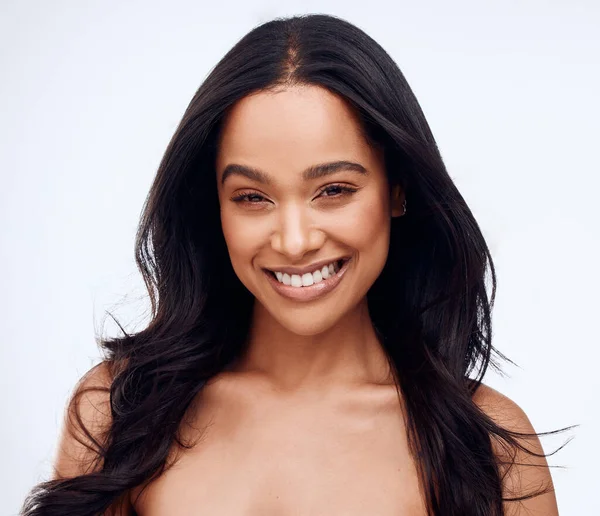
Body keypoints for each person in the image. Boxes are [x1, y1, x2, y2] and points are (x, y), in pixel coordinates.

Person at [22, 13, 562, 516]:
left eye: (333, 189)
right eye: (253, 197)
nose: (295, 240)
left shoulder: (488, 445)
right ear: (213, 207)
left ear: (397, 191)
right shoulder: (118, 413)